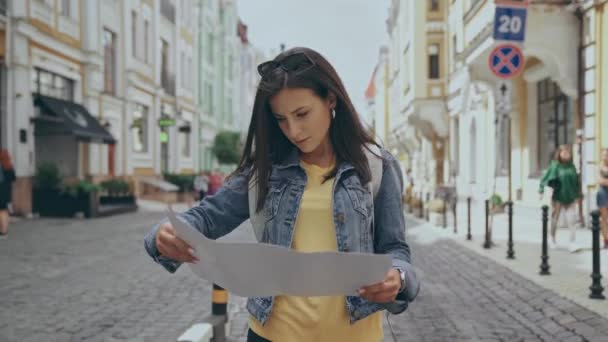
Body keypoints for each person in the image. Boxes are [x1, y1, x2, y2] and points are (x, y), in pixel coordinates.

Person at [144, 47, 419, 342]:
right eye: (281, 119)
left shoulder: (377, 165)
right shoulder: (264, 170)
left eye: (302, 114)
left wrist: (398, 278)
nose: (294, 130)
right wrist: (164, 234)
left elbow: (396, 250)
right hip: (272, 335)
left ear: (330, 99)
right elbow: (205, 216)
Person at [539, 144, 582, 252]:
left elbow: (576, 182)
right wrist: (541, 190)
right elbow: (545, 178)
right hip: (558, 197)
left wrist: (578, 195)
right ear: (559, 154)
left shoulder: (572, 166)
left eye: (568, 152)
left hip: (570, 196)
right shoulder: (555, 166)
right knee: (555, 219)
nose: (566, 154)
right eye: (564, 152)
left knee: (572, 221)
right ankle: (552, 238)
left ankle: (572, 243)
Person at [0, 149, 16, 239]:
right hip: (6, 192)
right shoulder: (9, 166)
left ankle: (2, 231)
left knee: (2, 212)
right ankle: (4, 231)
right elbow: (13, 178)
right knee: (4, 211)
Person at [597, 148, 608, 248]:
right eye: (603, 155)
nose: (605, 157)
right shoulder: (600, 167)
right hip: (603, 194)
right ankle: (605, 240)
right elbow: (600, 181)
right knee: (604, 218)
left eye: (606, 155)